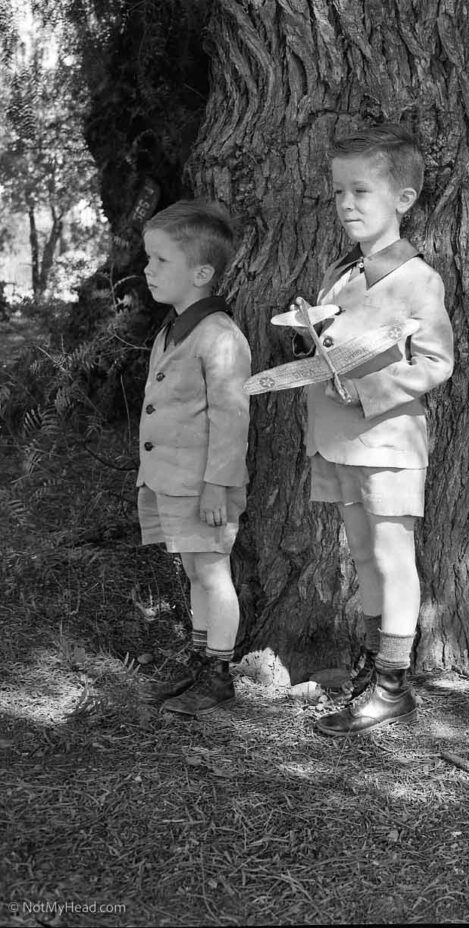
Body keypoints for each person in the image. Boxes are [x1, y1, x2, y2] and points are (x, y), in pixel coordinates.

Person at [297, 124, 454, 737]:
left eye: (362, 191)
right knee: (362, 554)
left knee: (392, 557)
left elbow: (437, 361)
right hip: (338, 439)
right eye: (338, 192)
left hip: (387, 442)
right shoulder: (343, 273)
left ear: (404, 200)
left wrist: (366, 390)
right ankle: (373, 668)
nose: (346, 204)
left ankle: (394, 685)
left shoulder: (417, 278)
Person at [136, 199, 251, 716]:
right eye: (148, 258)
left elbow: (231, 419)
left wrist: (217, 485)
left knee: (212, 572)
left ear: (201, 273)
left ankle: (220, 675)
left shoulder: (220, 335)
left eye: (161, 260)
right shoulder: (172, 328)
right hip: (172, 479)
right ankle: (203, 659)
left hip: (204, 484)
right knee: (195, 570)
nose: (147, 269)